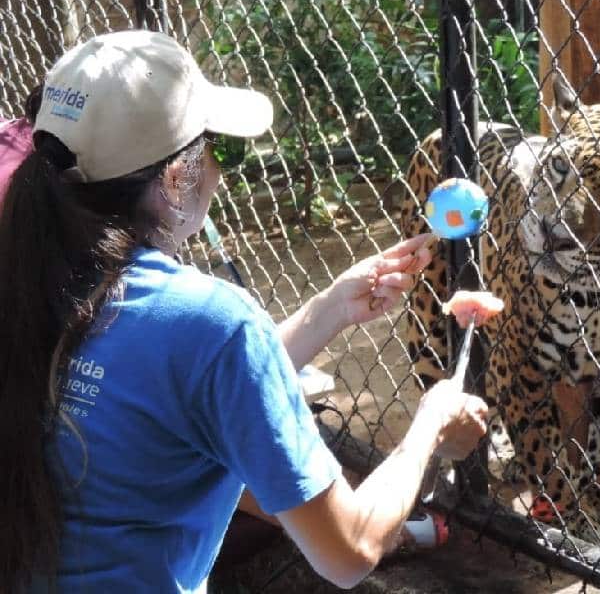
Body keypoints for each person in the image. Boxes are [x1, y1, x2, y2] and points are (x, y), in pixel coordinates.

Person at [0, 30, 488, 593]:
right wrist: (429, 424)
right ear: (175, 178)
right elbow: (347, 550)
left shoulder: (29, 279)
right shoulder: (212, 323)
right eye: (219, 150)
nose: (222, 171)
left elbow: (169, 388)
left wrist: (327, 311)